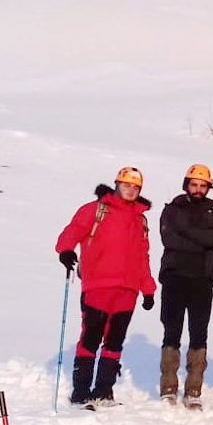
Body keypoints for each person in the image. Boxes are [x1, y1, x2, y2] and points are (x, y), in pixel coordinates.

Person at [54, 167, 156, 406]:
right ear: (117, 184)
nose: (131, 190)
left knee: (114, 341)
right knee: (91, 337)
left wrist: (148, 289)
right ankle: (81, 391)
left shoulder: (140, 219)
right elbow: (73, 231)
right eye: (126, 185)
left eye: (135, 187)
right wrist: (66, 250)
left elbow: (143, 257)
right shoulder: (96, 210)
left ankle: (103, 391)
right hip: (98, 286)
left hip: (128, 290)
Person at [158, 163, 213, 409]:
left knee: (199, 334)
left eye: (202, 185)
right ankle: (168, 387)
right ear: (186, 185)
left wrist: (185, 231)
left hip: (202, 281)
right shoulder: (171, 210)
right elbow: (169, 239)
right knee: (171, 331)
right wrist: (200, 240)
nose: (198, 189)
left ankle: (193, 388)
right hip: (174, 277)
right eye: (194, 184)